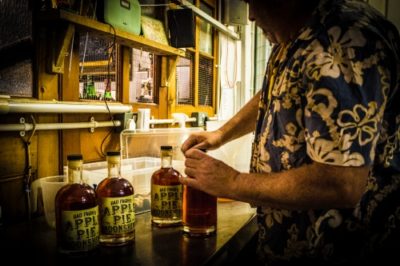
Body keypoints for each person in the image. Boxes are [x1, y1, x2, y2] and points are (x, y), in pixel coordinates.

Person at [180, 0, 400, 265]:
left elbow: (342, 183)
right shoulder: (294, 38)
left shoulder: (340, 42)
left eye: (255, 3)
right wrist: (221, 134)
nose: (250, 16)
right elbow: (277, 93)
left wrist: (233, 182)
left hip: (339, 248)